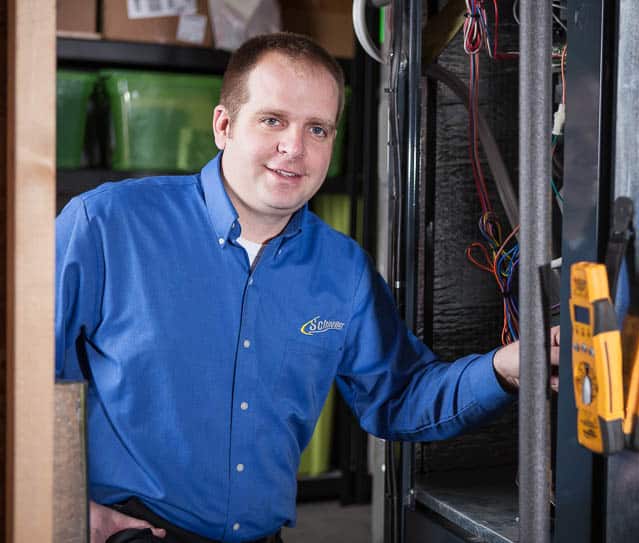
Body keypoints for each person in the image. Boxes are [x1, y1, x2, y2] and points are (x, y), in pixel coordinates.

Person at [56, 33, 552, 543]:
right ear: (224, 126)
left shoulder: (343, 269)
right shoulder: (107, 223)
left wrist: (504, 368)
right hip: (135, 531)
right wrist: (67, 505)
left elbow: (399, 396)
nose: (294, 148)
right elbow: (28, 376)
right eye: (273, 120)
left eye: (317, 129)